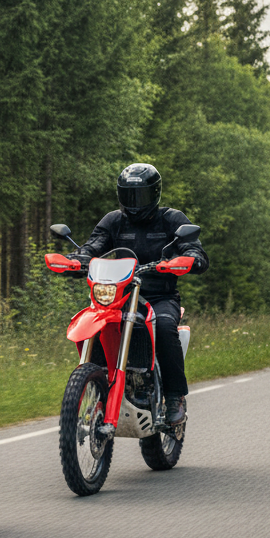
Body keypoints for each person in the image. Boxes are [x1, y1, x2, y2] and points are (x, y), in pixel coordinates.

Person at [73, 163, 209, 426]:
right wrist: (79, 258)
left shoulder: (172, 219)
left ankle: (173, 396)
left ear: (155, 194)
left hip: (159, 296)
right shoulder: (113, 221)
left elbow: (195, 250)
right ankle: (95, 381)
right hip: (119, 297)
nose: (135, 203)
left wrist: (190, 257)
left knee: (166, 325)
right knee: (95, 324)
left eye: (141, 196)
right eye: (128, 195)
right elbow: (95, 244)